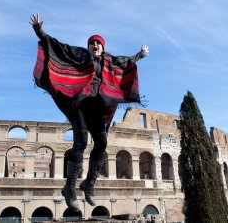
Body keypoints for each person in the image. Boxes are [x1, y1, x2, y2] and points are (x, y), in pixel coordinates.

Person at [30, 13, 149, 211]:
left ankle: (88, 184)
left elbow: (125, 61)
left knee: (102, 142)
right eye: (92, 43)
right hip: (79, 105)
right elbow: (59, 47)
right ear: (88, 46)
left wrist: (140, 55)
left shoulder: (110, 60)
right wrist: (39, 31)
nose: (95, 45)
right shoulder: (81, 55)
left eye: (98, 43)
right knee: (81, 143)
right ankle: (70, 188)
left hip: (97, 107)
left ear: (103, 47)